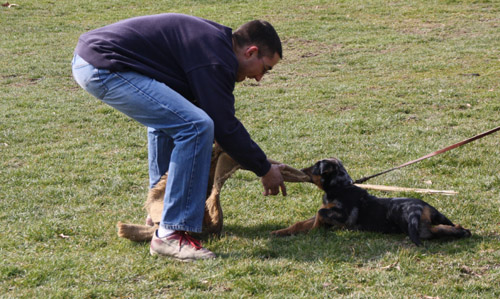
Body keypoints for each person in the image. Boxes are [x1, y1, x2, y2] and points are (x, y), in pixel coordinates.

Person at [71, 13, 286, 261]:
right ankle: (171, 234)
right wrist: (263, 168)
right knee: (196, 126)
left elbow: (215, 119)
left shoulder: (216, 46)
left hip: (95, 60)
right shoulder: (216, 58)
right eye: (265, 69)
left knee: (178, 122)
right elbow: (223, 126)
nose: (259, 78)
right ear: (251, 52)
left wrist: (257, 161)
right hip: (103, 65)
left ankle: (160, 214)